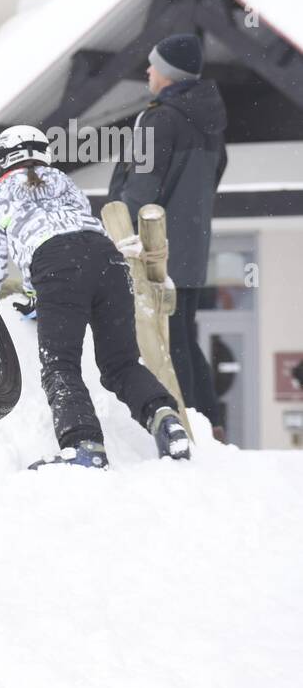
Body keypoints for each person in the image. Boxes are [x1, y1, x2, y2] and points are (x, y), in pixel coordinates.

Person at [0, 125, 191, 470]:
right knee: (121, 364)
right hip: (108, 260)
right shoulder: (64, 182)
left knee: (60, 365)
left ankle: (84, 445)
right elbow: (76, 241)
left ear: (2, 161)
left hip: (56, 264)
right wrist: (38, 298)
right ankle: (165, 418)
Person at [108, 33, 227, 440]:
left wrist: (120, 230)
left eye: (154, 65)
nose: (148, 70)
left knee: (163, 341)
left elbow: (140, 188)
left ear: (169, 74)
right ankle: (209, 421)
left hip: (153, 249)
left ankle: (186, 423)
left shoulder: (159, 119)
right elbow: (213, 179)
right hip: (192, 249)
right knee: (184, 337)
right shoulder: (211, 124)